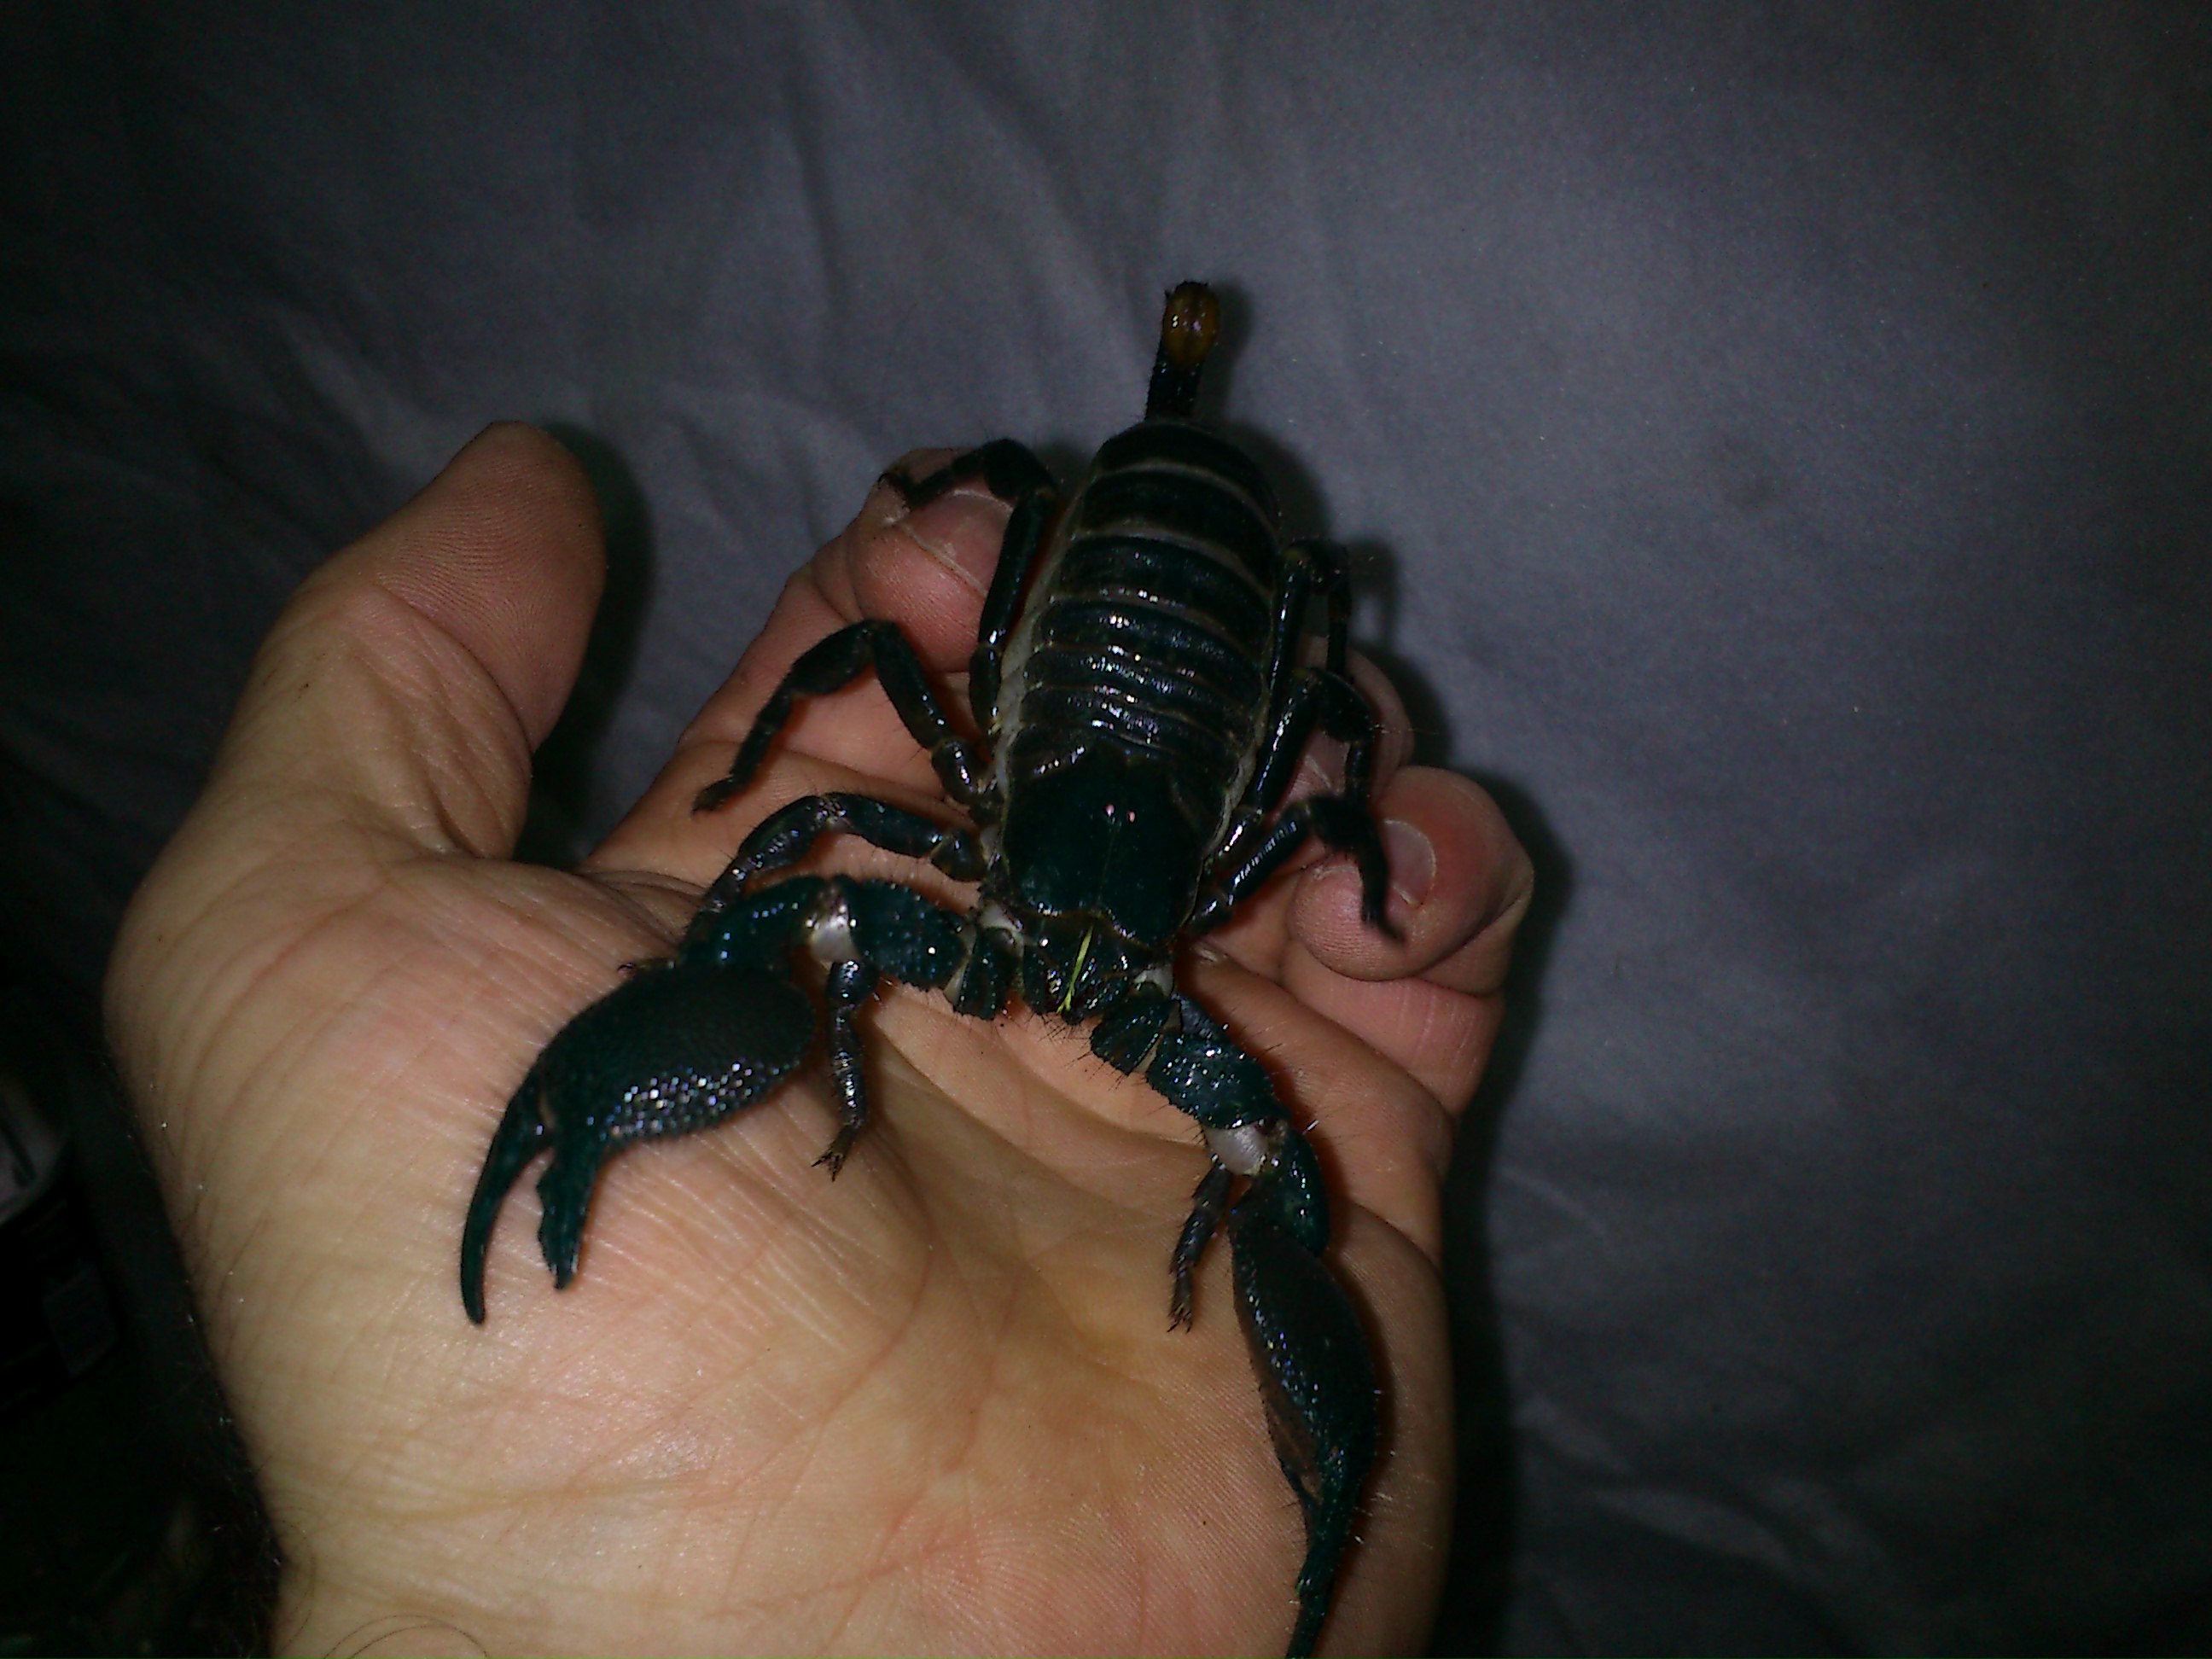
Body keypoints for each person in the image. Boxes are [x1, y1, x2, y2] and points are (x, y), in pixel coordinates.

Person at [104, 424, 1533, 1657]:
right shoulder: (1110, 921)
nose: (1062, 988)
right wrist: (718, 913)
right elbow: (811, 819)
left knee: (1227, 958)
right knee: (849, 826)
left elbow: (842, 855)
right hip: (1150, 674)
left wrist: (1345, 815)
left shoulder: (1133, 889)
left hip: (1174, 676)